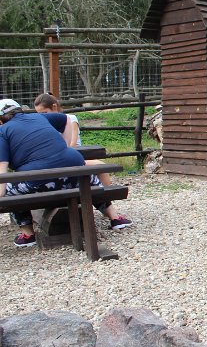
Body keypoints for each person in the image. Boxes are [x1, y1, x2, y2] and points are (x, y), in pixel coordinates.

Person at [0, 99, 131, 247]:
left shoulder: (3, 132)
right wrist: (67, 146)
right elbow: (66, 119)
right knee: (87, 178)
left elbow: (2, 169)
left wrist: (2, 195)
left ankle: (28, 234)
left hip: (37, 183)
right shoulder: (39, 117)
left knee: (11, 188)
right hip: (73, 175)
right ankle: (115, 218)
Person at [34, 92, 116, 188]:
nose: (43, 117)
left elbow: (72, 144)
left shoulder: (69, 119)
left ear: (54, 107)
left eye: (44, 113)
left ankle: (107, 193)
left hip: (73, 157)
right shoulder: (43, 125)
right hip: (59, 161)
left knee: (100, 166)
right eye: (39, 115)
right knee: (99, 166)